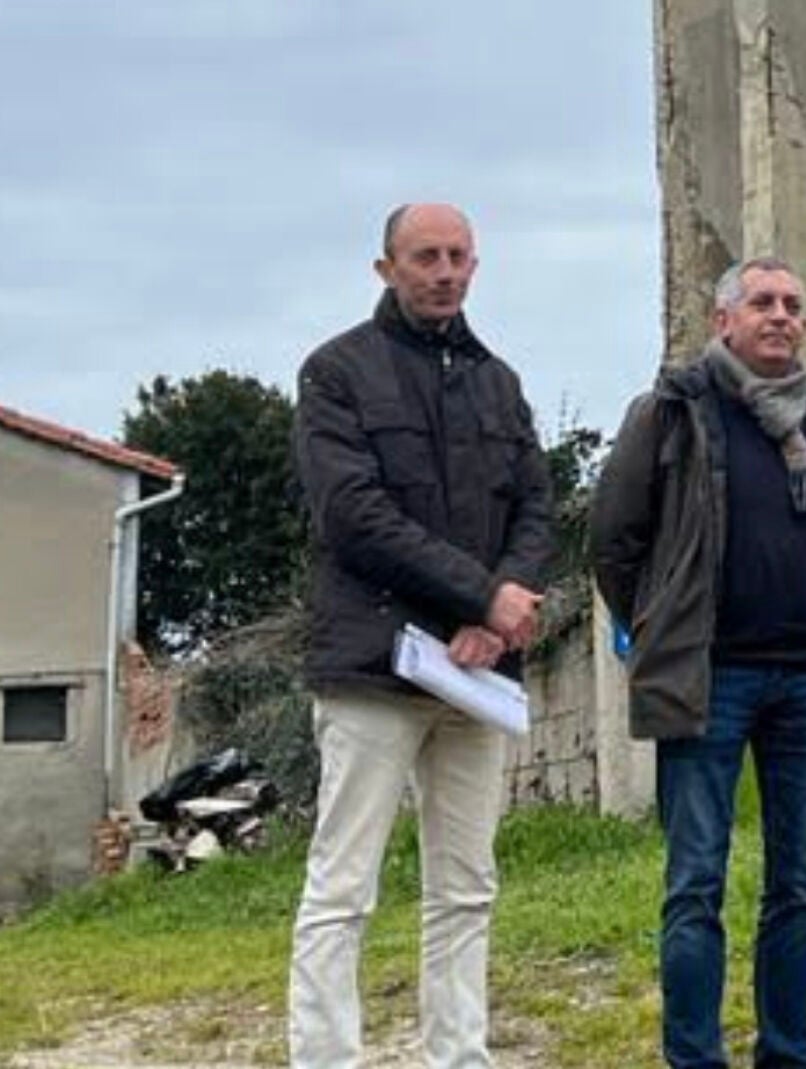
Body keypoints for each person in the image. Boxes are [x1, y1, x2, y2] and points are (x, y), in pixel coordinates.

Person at [589, 256, 806, 1069]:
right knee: (695, 882)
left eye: (791, 304)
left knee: (801, 883)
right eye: (762, 303)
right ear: (724, 320)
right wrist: (656, 624)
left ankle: (787, 1052)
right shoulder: (674, 410)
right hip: (708, 681)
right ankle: (695, 1056)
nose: (780, 316)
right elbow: (613, 540)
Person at [289, 202, 553, 1069]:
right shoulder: (335, 373)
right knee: (342, 887)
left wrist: (497, 610)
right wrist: (482, 596)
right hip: (373, 669)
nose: (443, 272)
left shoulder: (499, 382)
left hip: (475, 677)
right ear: (386, 268)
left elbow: (535, 507)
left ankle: (460, 1055)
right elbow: (354, 516)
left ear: (476, 265)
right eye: (425, 256)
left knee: (467, 888)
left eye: (457, 256)